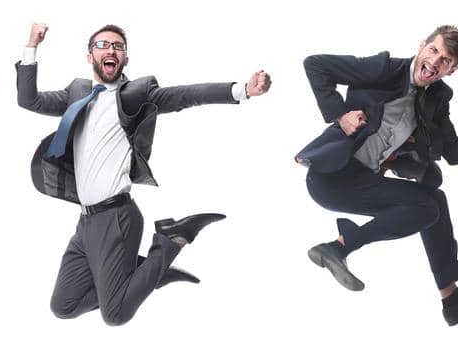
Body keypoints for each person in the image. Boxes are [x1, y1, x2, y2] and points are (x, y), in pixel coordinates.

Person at [18, 23, 270, 326]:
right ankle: (149, 274)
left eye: (118, 46)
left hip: (116, 217)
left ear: (125, 59)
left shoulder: (137, 94)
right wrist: (31, 45)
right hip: (86, 222)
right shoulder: (77, 93)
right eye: (103, 45)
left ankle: (171, 240)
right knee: (64, 305)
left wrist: (242, 90)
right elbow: (28, 99)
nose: (111, 50)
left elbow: (186, 95)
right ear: (90, 57)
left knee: (116, 314)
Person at [295, 25, 458, 326]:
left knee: (434, 201)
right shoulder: (384, 69)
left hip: (362, 180)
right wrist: (340, 114)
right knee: (427, 206)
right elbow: (315, 65)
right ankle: (339, 247)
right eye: (434, 51)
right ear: (422, 46)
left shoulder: (438, 98)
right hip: (330, 176)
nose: (435, 62)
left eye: (445, 61)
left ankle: (451, 299)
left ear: (451, 70)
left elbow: (452, 152)